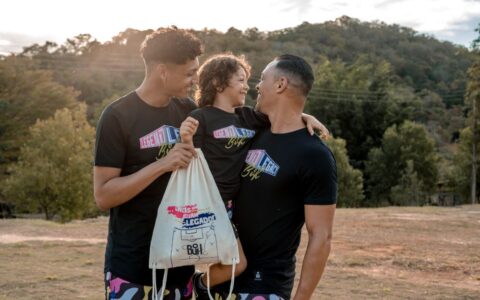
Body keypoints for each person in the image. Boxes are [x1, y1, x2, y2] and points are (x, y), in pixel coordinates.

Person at [179, 53, 329, 299]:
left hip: (261, 276)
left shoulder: (250, 120)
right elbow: (187, 159)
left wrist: (305, 117)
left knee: (235, 263)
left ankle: (200, 284)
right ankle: (199, 284)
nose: (252, 86)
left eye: (258, 79)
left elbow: (321, 236)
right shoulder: (208, 119)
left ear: (280, 84)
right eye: (241, 79)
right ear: (219, 84)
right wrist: (185, 139)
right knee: (230, 263)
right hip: (205, 209)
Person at [93, 27, 202, 300]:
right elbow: (104, 195)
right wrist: (162, 164)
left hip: (180, 264)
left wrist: (300, 118)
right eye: (189, 73)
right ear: (163, 71)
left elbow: (236, 119)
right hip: (131, 266)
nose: (195, 79)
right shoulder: (117, 116)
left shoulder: (188, 109)